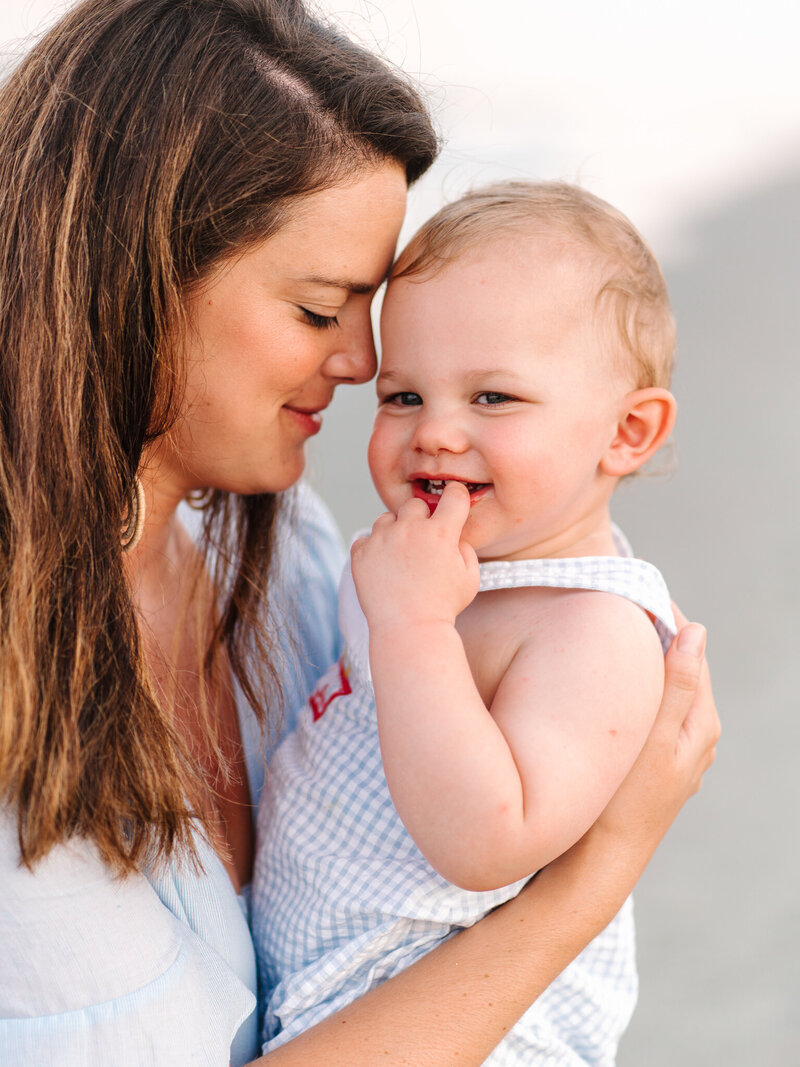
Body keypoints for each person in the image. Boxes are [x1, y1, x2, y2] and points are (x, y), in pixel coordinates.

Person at [0, 1, 718, 1064]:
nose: (357, 361)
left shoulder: (291, 550)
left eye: (363, 308)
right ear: (134, 280)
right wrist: (594, 876)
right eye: (316, 307)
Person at [253, 181, 684, 1063]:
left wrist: (413, 625)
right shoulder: (431, 565)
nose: (436, 434)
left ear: (627, 432)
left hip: (481, 1034)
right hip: (345, 999)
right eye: (404, 396)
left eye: (493, 399)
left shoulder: (591, 628)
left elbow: (488, 842)